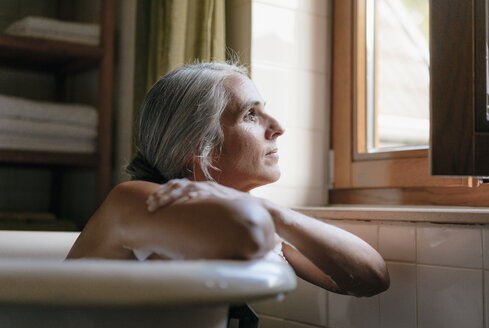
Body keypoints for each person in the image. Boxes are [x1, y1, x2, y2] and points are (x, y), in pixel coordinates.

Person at [67, 62, 390, 297]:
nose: (277, 126)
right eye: (250, 115)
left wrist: (274, 212)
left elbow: (371, 277)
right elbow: (245, 234)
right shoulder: (135, 200)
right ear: (199, 148)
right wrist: (260, 212)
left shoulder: (250, 216)